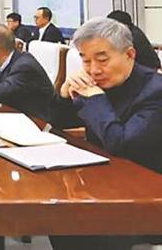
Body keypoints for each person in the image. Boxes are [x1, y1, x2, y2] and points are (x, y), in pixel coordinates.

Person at [49, 18, 162, 250]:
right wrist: (64, 94)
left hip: (148, 195)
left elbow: (121, 144)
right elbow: (59, 123)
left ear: (129, 54)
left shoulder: (155, 91)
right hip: (104, 182)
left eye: (102, 60)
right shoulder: (98, 82)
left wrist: (96, 99)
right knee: (58, 215)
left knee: (79, 225)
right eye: (85, 60)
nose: (94, 69)